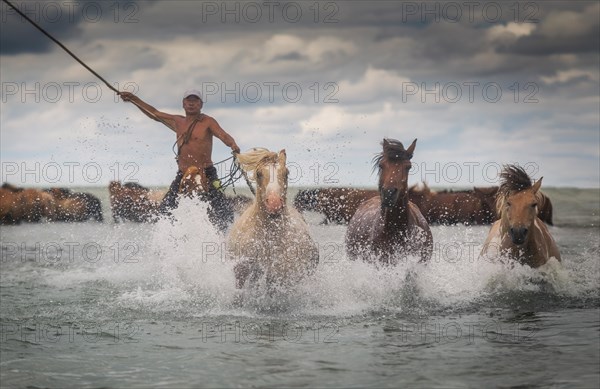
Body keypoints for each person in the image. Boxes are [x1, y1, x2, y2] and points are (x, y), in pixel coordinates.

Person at [119, 89, 240, 231]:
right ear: (183, 104)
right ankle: (171, 238)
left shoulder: (208, 122)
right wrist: (134, 99)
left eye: (195, 101)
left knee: (222, 208)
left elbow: (224, 135)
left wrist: (233, 146)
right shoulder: (177, 121)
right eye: (189, 101)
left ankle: (226, 236)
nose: (191, 104)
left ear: (201, 104)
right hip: (183, 174)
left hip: (207, 173)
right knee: (165, 208)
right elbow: (154, 114)